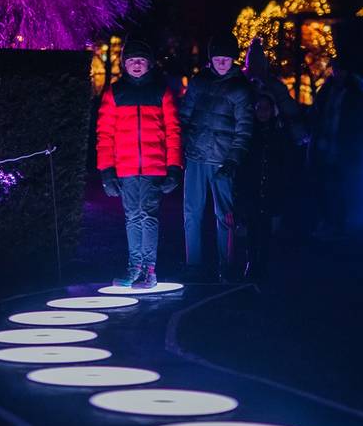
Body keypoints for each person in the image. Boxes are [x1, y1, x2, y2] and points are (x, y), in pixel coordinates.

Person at [95, 39, 183, 287]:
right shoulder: (115, 93)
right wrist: (107, 171)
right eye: (131, 60)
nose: (136, 64)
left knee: (149, 216)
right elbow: (105, 134)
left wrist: (174, 167)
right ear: (124, 64)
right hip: (125, 168)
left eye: (141, 60)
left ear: (149, 64)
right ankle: (134, 267)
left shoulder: (161, 92)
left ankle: (150, 270)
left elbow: (173, 131)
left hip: (155, 168)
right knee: (132, 216)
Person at [178, 34, 254, 282]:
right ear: (211, 59)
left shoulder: (240, 89)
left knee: (225, 216)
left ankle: (227, 265)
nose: (222, 63)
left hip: (222, 161)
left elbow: (244, 129)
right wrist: (182, 145)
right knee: (191, 212)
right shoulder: (199, 82)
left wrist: (233, 160)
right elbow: (184, 116)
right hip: (196, 157)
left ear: (233, 59)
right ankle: (193, 264)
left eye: (226, 58)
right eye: (218, 58)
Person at [240, 38, 308, 279]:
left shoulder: (272, 87)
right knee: (250, 211)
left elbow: (288, 109)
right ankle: (251, 257)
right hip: (249, 141)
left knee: (266, 213)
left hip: (270, 146)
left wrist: (299, 136)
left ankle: (263, 259)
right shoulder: (243, 83)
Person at [308, 66, 363, 238]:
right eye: (336, 69)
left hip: (339, 145)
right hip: (325, 143)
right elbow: (318, 112)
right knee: (324, 184)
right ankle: (329, 221)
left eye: (341, 70)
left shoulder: (352, 93)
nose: (338, 73)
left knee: (337, 186)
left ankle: (336, 222)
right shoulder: (328, 90)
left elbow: (357, 122)